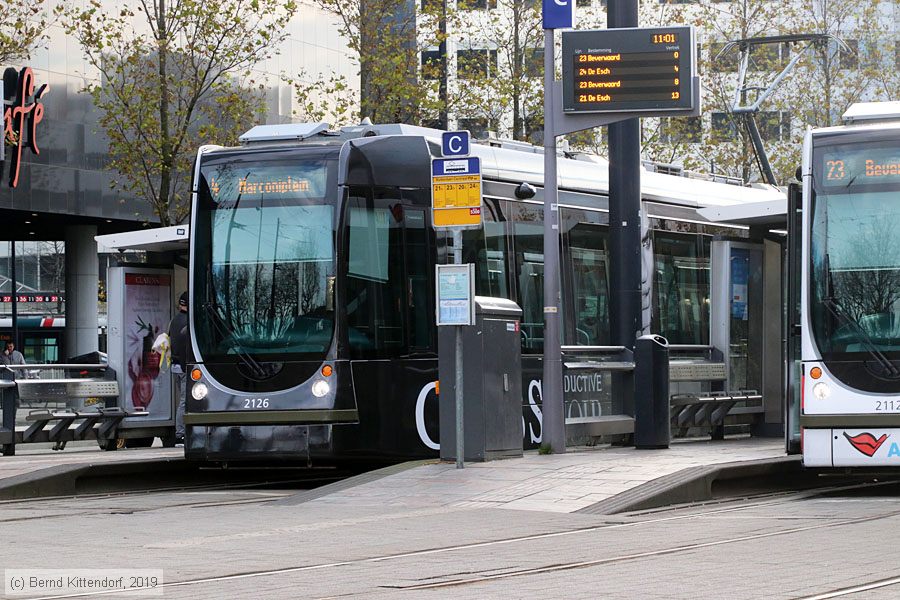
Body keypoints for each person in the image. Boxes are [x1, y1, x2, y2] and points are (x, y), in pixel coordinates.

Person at [168, 292, 189, 445]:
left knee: (183, 399)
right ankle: (180, 433)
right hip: (183, 366)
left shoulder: (174, 320)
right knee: (185, 400)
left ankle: (181, 432)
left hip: (175, 366)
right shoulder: (188, 321)